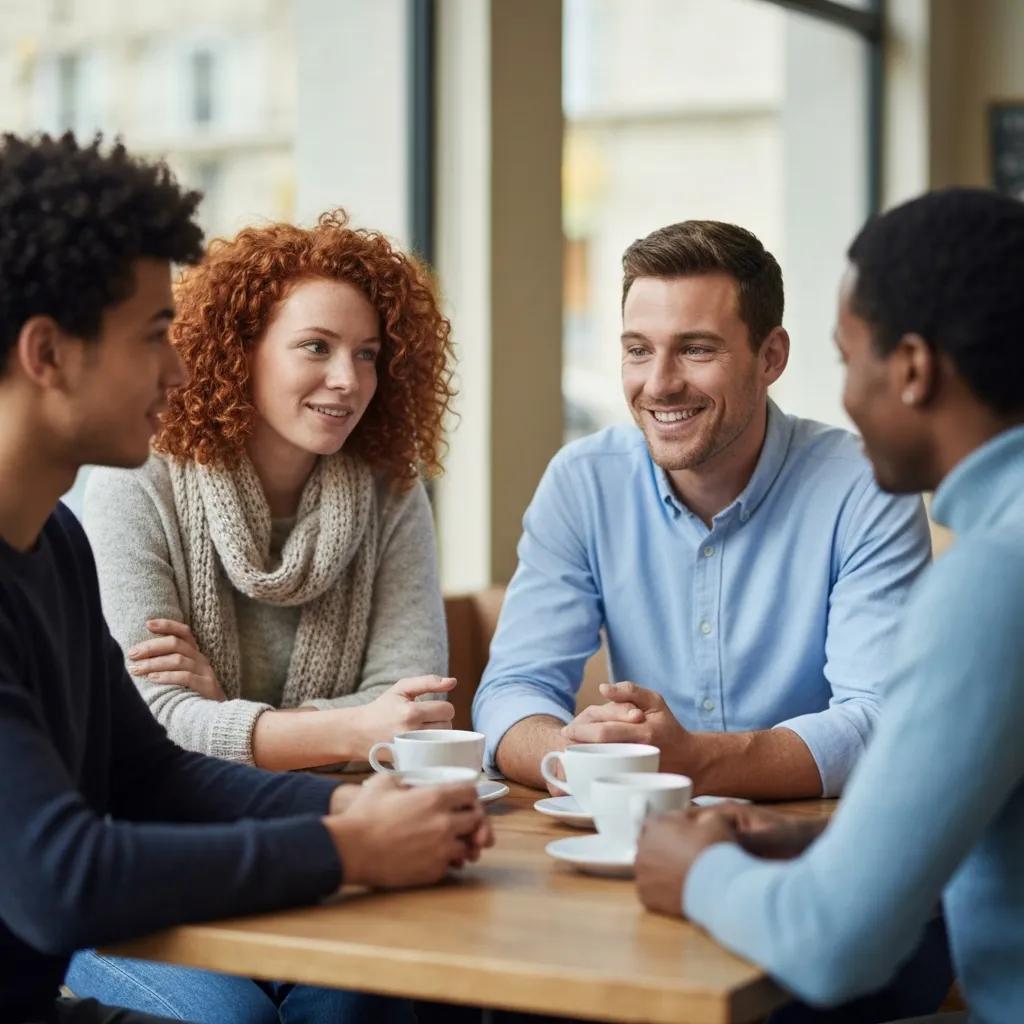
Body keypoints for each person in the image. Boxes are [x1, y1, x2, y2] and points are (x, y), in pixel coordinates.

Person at [0, 131, 492, 1024]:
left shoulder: (53, 547)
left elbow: (156, 775)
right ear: (48, 355)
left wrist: (358, 805)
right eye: (156, 334)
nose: (184, 366)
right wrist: (346, 845)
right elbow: (61, 880)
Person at [635, 188, 1024, 1024]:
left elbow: (834, 944)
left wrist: (694, 871)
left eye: (848, 359)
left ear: (912, 370)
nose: (843, 395)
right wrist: (828, 844)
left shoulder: (994, 580)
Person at [473, 219, 932, 802]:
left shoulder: (866, 487)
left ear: (770, 357)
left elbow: (878, 721)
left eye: (695, 349)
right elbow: (514, 689)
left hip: (811, 845)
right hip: (628, 837)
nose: (660, 384)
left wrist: (696, 761)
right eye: (639, 350)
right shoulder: (583, 481)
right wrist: (567, 753)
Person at [77, 212, 457, 772]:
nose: (348, 380)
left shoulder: (392, 492)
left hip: (355, 812)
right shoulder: (136, 480)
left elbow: (413, 711)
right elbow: (149, 721)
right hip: (187, 829)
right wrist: (352, 731)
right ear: (239, 351)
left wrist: (222, 715)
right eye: (315, 347)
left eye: (367, 353)